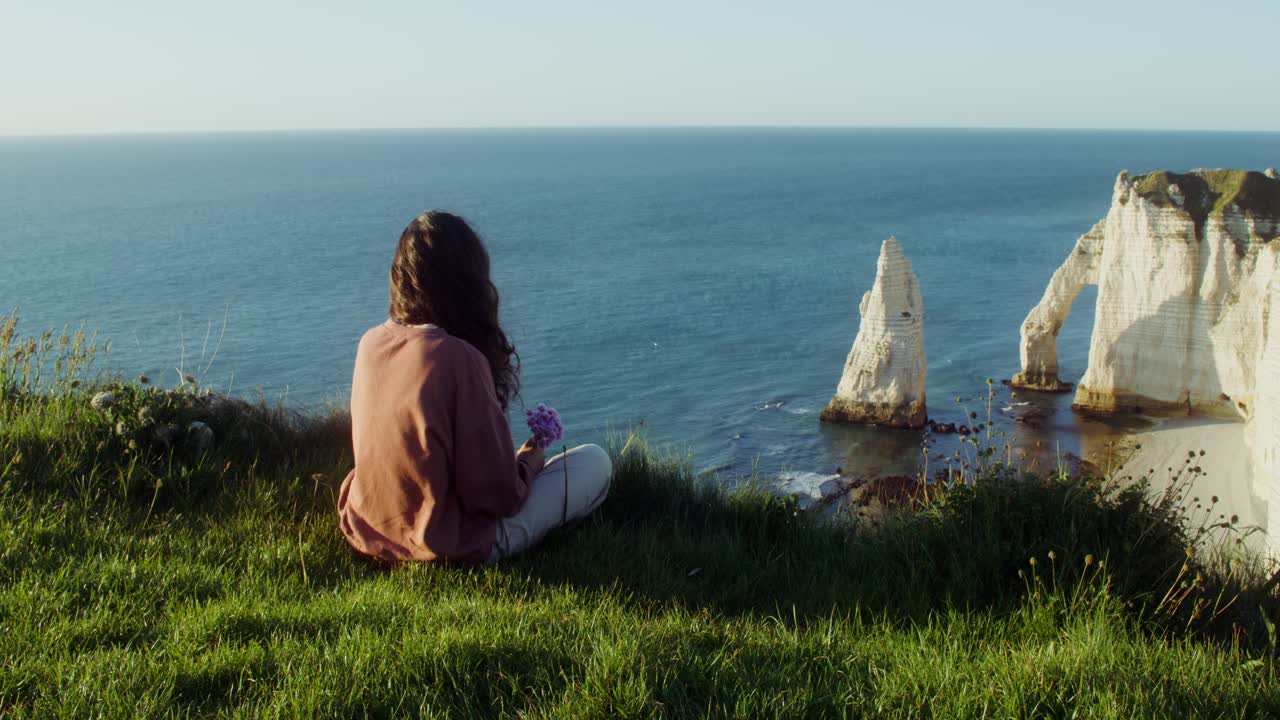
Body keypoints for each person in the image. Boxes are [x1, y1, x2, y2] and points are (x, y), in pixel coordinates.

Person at [337, 211, 612, 564]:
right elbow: (497, 497)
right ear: (469, 283)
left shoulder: (370, 342)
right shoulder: (459, 358)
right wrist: (528, 465)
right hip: (445, 544)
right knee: (594, 462)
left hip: (369, 526)